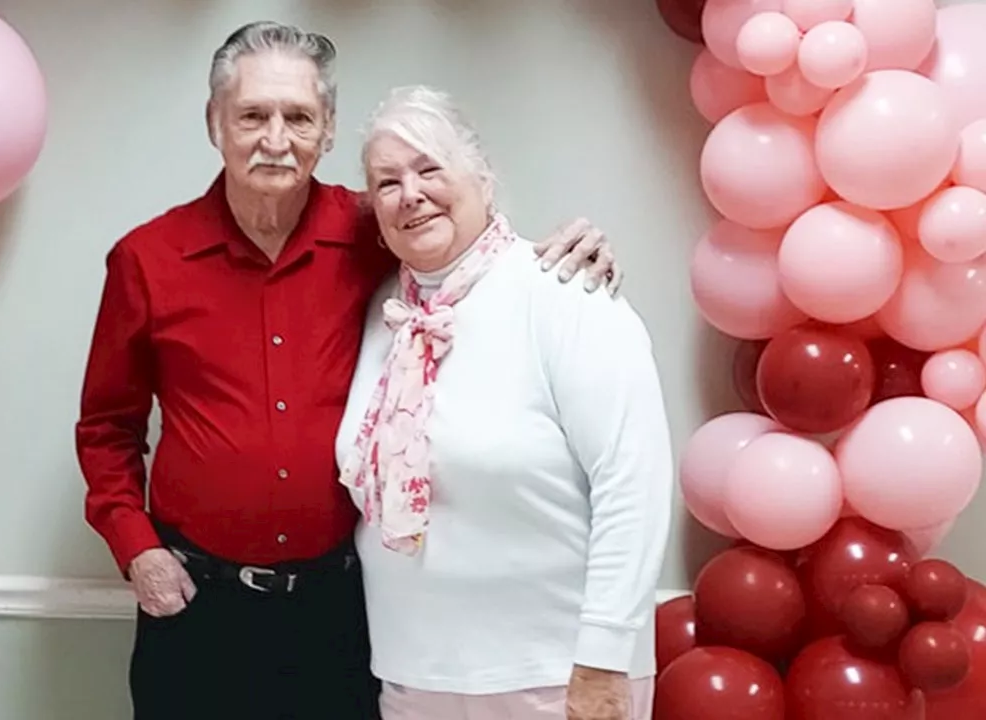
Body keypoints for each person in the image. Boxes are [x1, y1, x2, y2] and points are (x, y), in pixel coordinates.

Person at [75, 21, 624, 720]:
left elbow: (470, 251)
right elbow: (106, 428)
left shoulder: (376, 230)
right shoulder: (146, 260)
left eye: (298, 117)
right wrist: (137, 549)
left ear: (327, 129)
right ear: (215, 123)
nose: (276, 138)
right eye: (252, 115)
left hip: (338, 611)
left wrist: (564, 253)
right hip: (196, 606)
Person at [334, 84, 674, 720]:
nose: (410, 193)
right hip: (414, 673)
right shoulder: (382, 312)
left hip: (558, 674)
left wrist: (603, 659)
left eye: (430, 168)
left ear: (484, 181)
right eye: (387, 183)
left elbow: (634, 484)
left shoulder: (564, 291)